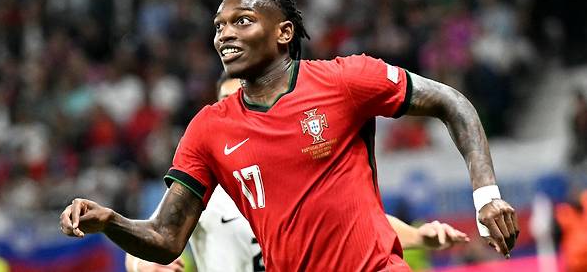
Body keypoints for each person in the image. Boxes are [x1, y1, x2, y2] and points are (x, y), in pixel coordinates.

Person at [60, 0, 519, 271]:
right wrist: (111, 221)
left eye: (242, 21)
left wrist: (487, 196)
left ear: (283, 33)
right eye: (219, 26)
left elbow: (451, 102)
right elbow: (164, 238)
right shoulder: (208, 129)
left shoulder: (346, 80)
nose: (225, 34)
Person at [127, 74, 470, 272]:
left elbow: (361, 223)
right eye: (230, 104)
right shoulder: (206, 188)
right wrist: (147, 267)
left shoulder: (297, 173)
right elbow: (147, 241)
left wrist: (418, 237)